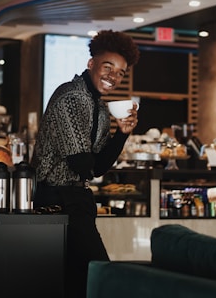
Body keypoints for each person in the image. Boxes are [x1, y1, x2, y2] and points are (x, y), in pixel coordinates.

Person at [31, 29, 140, 298]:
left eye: (120, 72)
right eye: (108, 67)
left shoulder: (101, 108)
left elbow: (98, 168)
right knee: (99, 273)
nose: (113, 76)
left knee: (78, 281)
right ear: (91, 64)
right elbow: (84, 165)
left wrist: (122, 134)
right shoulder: (71, 97)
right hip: (55, 200)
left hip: (77, 199)